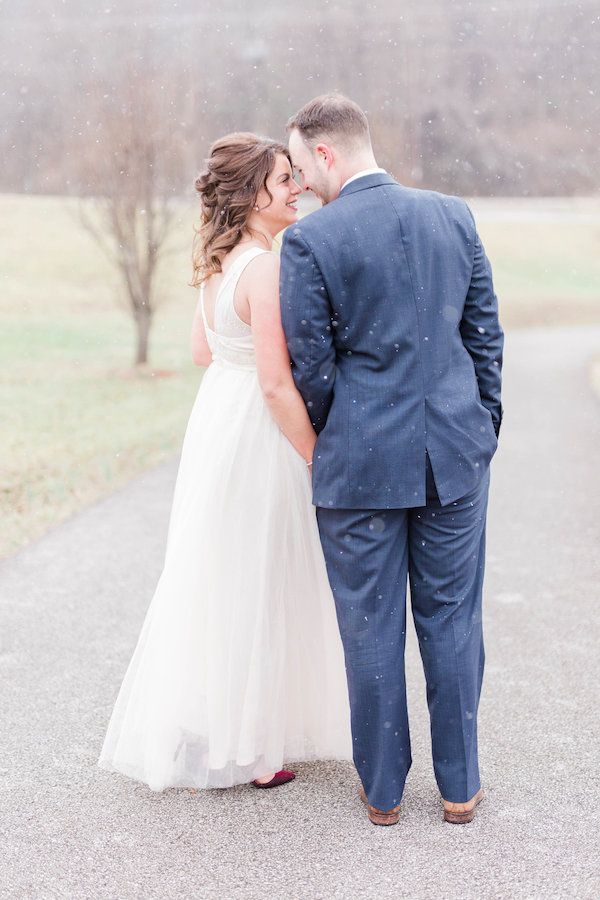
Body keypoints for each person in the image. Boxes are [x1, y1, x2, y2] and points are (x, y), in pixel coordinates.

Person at [98, 133, 352, 792]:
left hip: (218, 423)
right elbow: (275, 382)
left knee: (225, 572)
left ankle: (226, 723)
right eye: (282, 181)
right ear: (251, 196)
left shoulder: (220, 262)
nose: (295, 189)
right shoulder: (265, 267)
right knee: (261, 577)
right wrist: (317, 458)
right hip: (257, 432)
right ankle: (256, 751)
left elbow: (202, 352)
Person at [280, 94, 504, 825]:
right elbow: (484, 337)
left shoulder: (312, 242)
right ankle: (460, 786)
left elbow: (311, 364)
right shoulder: (452, 215)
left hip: (359, 464)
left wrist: (340, 435)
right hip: (455, 455)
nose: (302, 184)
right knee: (451, 619)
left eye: (302, 164)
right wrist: (481, 424)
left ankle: (382, 794)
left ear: (326, 154)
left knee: (370, 626)